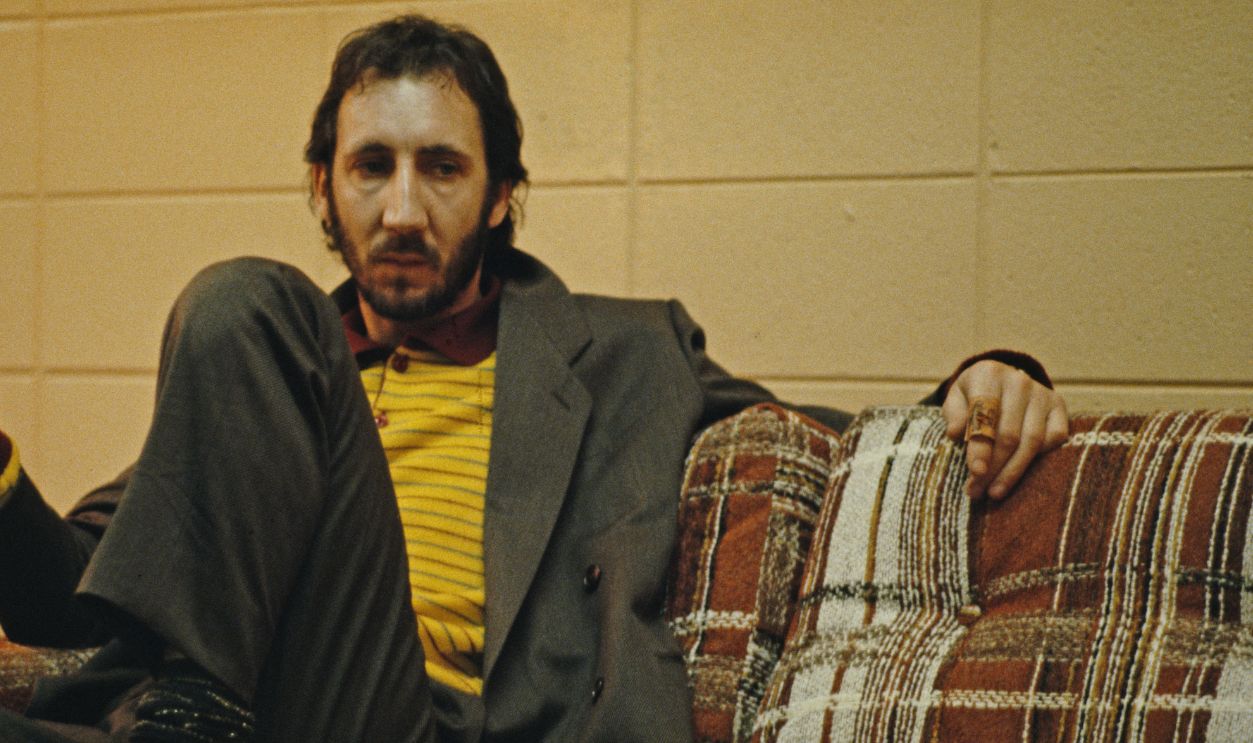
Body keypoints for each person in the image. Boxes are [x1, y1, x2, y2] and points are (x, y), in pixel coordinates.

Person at [0, 14, 1068, 743]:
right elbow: (77, 596)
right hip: (215, 707)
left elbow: (829, 451)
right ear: (321, 187)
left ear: (504, 194)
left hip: (407, 714)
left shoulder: (626, 352)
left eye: (443, 168)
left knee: (241, 293)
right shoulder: (268, 368)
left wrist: (989, 378)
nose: (404, 210)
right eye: (371, 166)